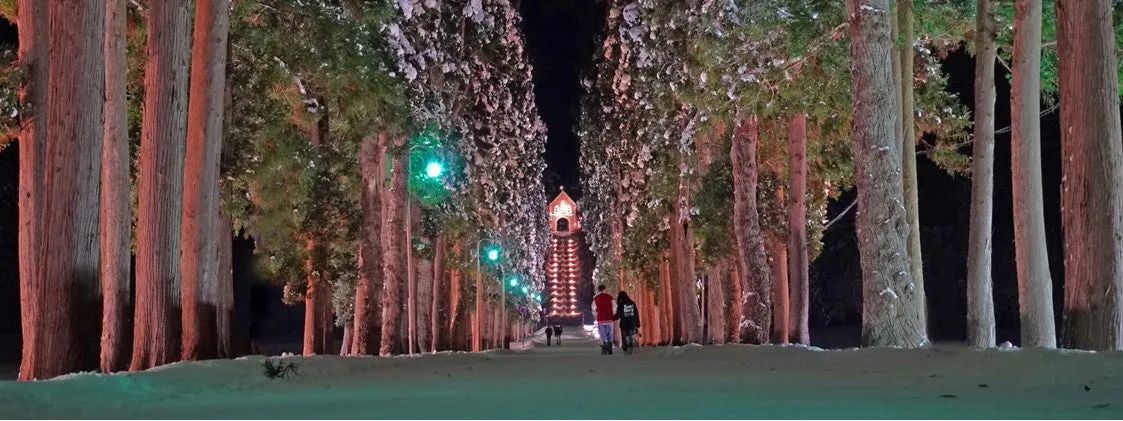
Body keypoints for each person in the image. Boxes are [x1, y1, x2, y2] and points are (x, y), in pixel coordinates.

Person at [591, 284, 616, 355]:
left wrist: (597, 313)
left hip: (601, 319)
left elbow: (593, 307)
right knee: (610, 333)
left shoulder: (596, 298)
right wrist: (612, 313)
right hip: (609, 318)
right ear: (605, 289)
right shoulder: (610, 297)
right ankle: (610, 348)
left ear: (599, 290)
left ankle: (604, 347)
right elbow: (615, 306)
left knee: (602, 334)